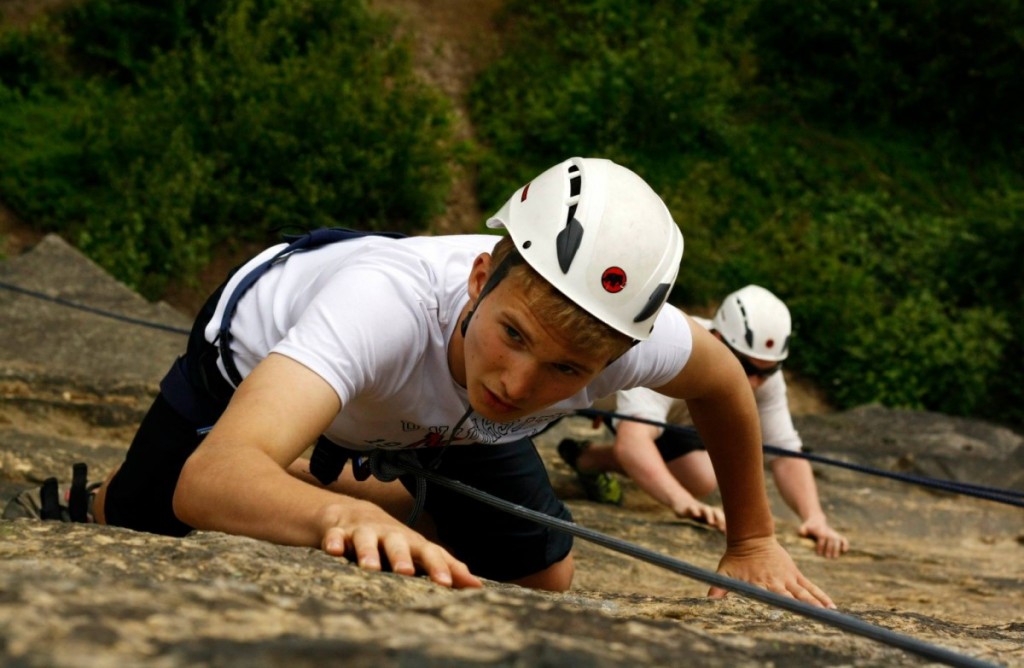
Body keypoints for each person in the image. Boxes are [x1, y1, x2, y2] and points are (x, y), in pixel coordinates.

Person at [9, 157, 834, 607]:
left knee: (546, 574)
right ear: (480, 276)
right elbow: (212, 480)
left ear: (615, 354)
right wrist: (329, 512)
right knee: (148, 516)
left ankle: (361, 486)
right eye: (515, 333)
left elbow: (725, 382)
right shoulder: (381, 302)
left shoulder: (625, 344)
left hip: (435, 419)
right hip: (257, 355)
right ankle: (305, 474)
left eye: (568, 371)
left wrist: (752, 541)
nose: (518, 381)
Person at [560, 286, 850, 559]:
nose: (753, 383)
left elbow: (785, 453)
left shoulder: (765, 377)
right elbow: (633, 442)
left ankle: (588, 459)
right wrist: (682, 502)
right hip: (598, 396)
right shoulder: (672, 347)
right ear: (718, 339)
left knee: (701, 477)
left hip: (672, 419)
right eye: (746, 366)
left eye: (766, 372)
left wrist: (815, 517)